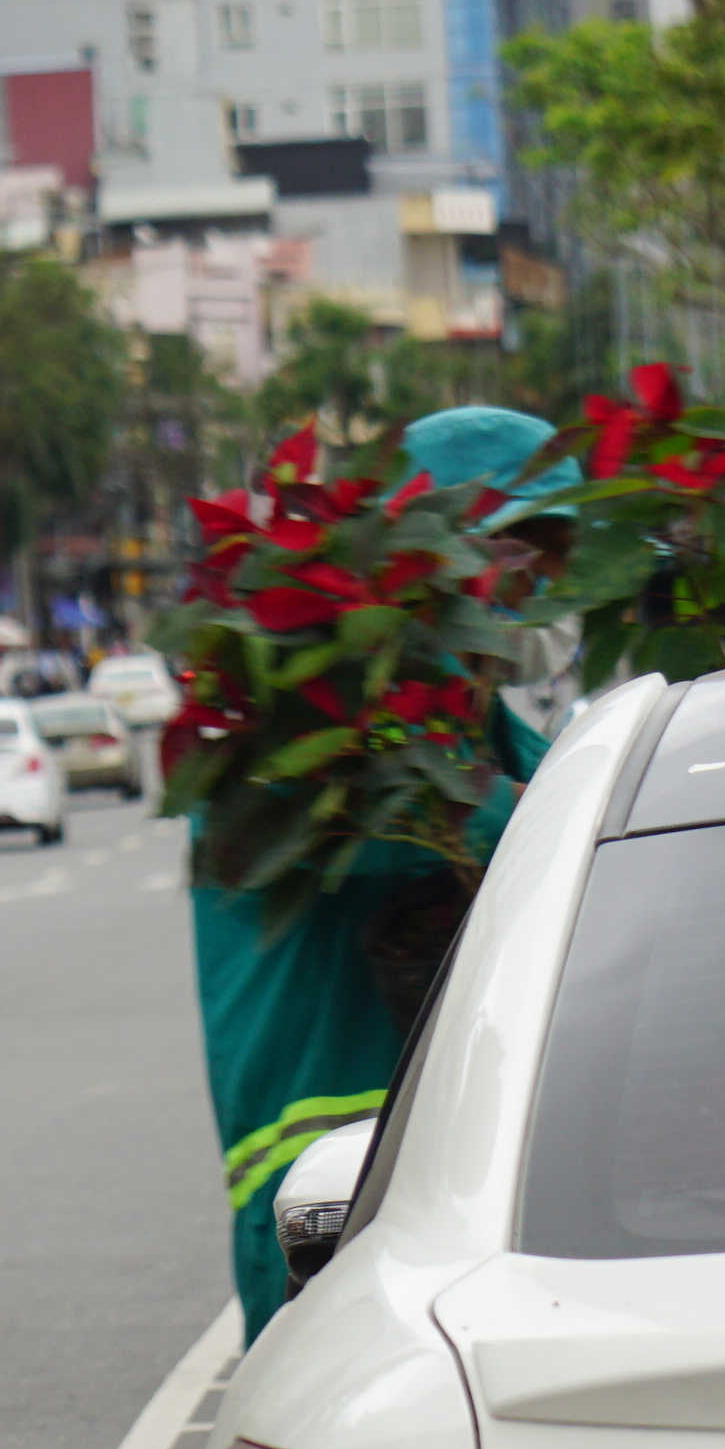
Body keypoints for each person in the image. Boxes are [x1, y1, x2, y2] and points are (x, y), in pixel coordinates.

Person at [189, 404, 577, 1336]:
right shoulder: (309, 717)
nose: (540, 586)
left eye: (552, 557)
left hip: (459, 1177)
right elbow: (491, 818)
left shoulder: (475, 725)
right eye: (520, 553)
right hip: (326, 1186)